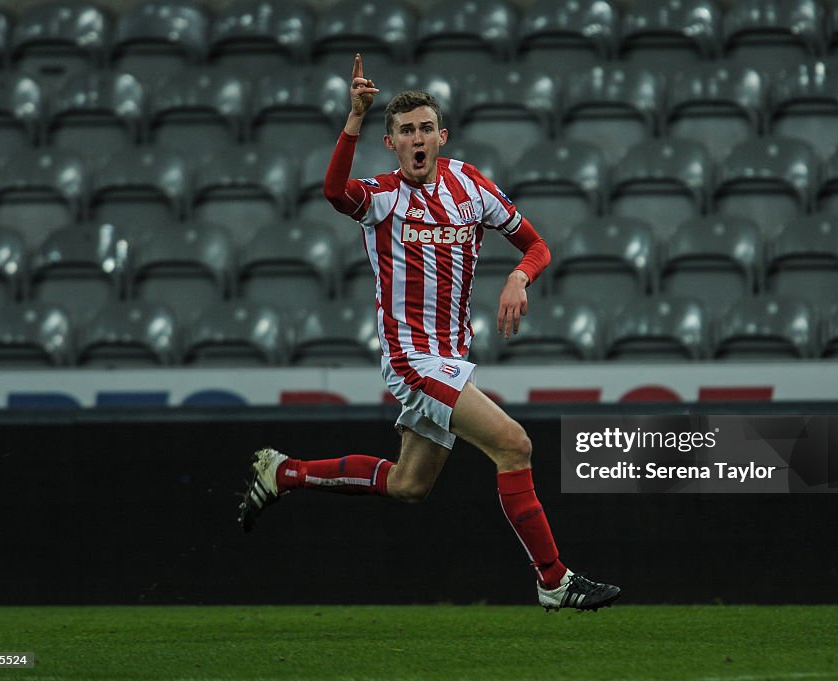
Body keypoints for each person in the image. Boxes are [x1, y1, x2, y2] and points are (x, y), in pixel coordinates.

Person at [238, 54, 620, 612]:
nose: (416, 139)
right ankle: (554, 582)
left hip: (452, 357)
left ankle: (285, 472)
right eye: (404, 131)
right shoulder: (383, 197)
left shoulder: (470, 185)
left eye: (424, 129)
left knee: (408, 484)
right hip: (413, 358)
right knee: (515, 445)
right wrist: (354, 118)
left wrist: (519, 277)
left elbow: (538, 247)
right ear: (390, 143)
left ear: (441, 136)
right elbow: (333, 191)